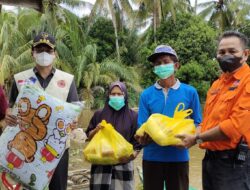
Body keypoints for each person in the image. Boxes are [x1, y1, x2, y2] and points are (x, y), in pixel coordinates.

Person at [4, 32, 79, 190]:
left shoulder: (67, 80)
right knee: (29, 186)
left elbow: (74, 111)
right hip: (25, 146)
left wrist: (74, 123)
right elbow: (11, 110)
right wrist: (8, 117)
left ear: (55, 54)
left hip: (57, 149)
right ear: (32, 53)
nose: (44, 53)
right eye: (39, 50)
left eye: (48, 50)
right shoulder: (20, 79)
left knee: (58, 187)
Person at [177, 31, 250, 190]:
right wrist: (188, 133)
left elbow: (233, 127)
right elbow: (208, 122)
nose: (226, 56)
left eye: (232, 51)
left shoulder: (247, 81)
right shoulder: (217, 85)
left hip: (234, 164)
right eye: (221, 52)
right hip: (211, 160)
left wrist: (196, 138)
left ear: (245, 54)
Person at [135, 45, 202, 190]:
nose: (161, 66)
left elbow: (198, 123)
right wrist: (142, 139)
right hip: (152, 157)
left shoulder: (190, 92)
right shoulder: (146, 95)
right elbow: (142, 126)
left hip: (179, 157)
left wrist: (194, 139)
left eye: (166, 62)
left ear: (176, 65)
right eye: (157, 64)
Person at [86, 81, 141, 190]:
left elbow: (137, 142)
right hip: (101, 164)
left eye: (119, 94)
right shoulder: (99, 114)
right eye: (113, 94)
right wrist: (96, 130)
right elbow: (88, 136)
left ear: (125, 95)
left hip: (123, 164)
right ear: (108, 95)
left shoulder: (133, 116)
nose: (116, 96)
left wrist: (133, 155)